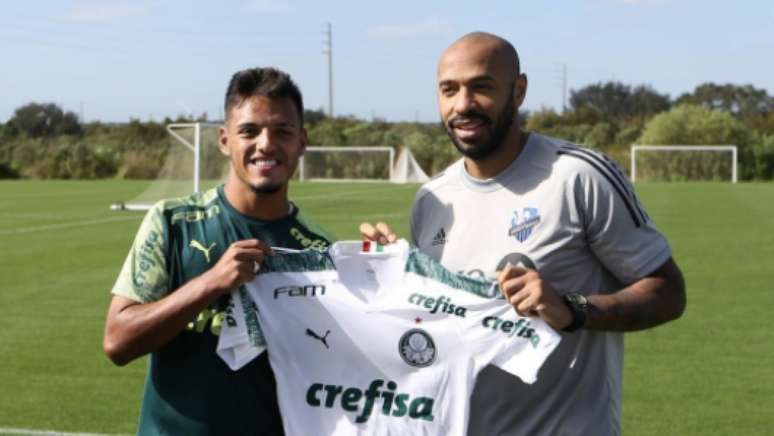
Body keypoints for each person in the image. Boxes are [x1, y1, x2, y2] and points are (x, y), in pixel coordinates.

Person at [360, 32, 686, 436]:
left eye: (481, 87)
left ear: (518, 91)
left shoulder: (577, 176)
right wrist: (392, 276)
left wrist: (572, 309)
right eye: (449, 90)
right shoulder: (431, 199)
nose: (463, 105)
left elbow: (668, 292)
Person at [103, 67, 331, 436]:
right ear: (225, 140)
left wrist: (384, 268)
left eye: (283, 131)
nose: (266, 144)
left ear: (302, 142)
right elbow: (117, 342)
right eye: (249, 131)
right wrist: (209, 283)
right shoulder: (173, 224)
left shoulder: (320, 253)